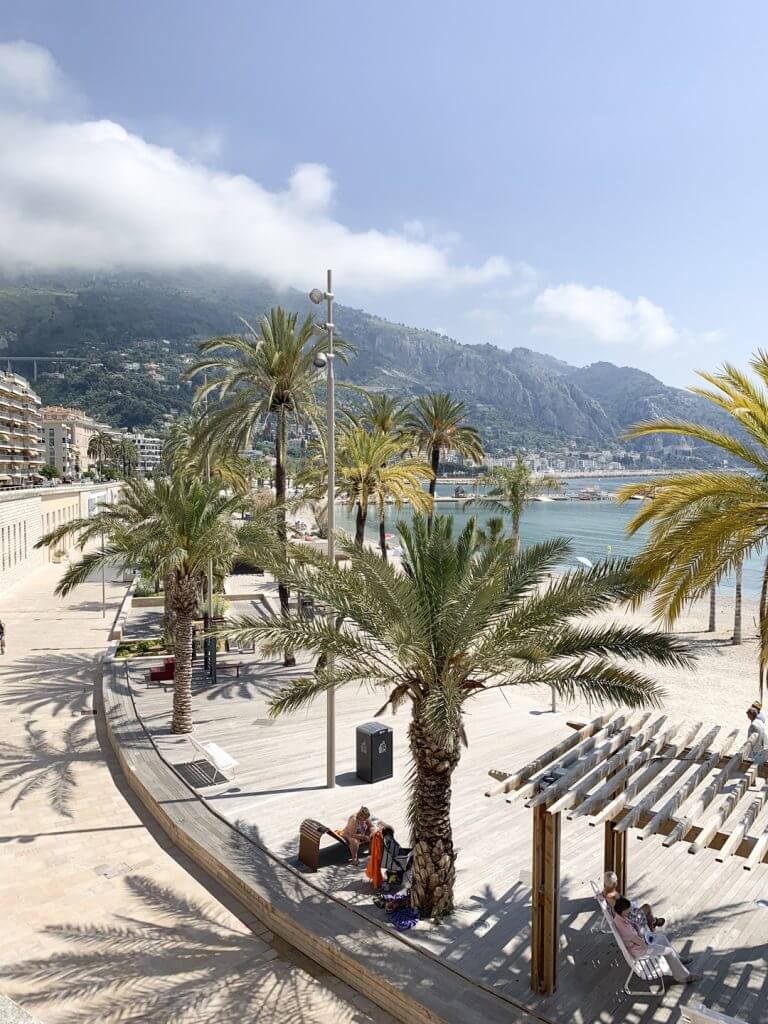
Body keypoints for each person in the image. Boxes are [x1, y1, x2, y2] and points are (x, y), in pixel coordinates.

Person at [613, 897, 701, 985]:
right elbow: (640, 942)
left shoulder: (619, 917)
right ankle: (683, 977)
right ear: (623, 911)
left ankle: (678, 959)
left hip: (638, 943)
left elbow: (635, 933)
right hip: (642, 949)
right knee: (669, 951)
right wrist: (646, 940)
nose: (630, 911)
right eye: (628, 910)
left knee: (661, 938)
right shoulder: (626, 929)